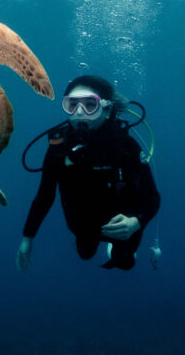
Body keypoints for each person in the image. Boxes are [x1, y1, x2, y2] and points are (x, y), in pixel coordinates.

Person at [17, 75, 159, 271]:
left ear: (107, 109)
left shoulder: (125, 146)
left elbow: (152, 197)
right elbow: (44, 196)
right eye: (72, 105)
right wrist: (27, 238)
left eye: (90, 105)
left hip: (123, 227)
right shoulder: (59, 148)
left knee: (124, 263)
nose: (80, 112)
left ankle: (118, 252)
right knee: (84, 254)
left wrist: (136, 222)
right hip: (83, 226)